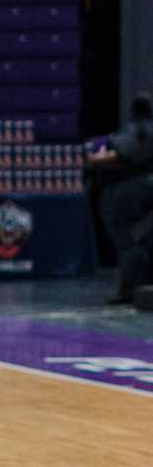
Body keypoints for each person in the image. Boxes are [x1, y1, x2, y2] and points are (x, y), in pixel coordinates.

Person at [89, 92, 153, 306]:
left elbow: (122, 152)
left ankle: (127, 290)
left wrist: (93, 158)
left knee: (126, 239)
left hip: (130, 190)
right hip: (148, 187)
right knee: (144, 237)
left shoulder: (137, 129)